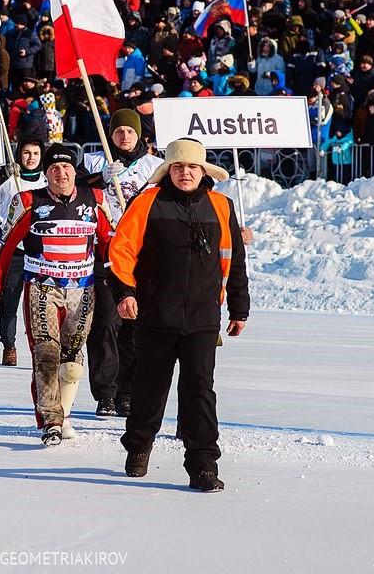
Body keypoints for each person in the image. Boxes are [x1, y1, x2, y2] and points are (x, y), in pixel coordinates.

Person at [108, 138, 250, 492]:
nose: (184, 173)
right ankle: (139, 445)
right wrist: (125, 292)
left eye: (191, 167)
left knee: (199, 389)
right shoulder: (147, 202)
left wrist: (239, 306)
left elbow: (234, 261)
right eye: (177, 167)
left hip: (203, 316)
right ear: (167, 171)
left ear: (203, 171)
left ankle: (202, 464)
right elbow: (121, 251)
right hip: (155, 313)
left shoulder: (221, 205)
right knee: (150, 389)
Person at [0, 144, 115, 446]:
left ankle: (65, 413)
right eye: (54, 169)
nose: (61, 173)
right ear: (46, 174)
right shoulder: (29, 201)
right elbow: (3, 247)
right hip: (42, 287)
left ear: (75, 171)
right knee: (45, 354)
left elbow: (109, 241)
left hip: (82, 289)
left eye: (66, 167)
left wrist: (118, 279)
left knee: (71, 360)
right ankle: (51, 420)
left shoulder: (94, 199)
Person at [80, 109, 163, 417]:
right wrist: (98, 179)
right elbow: (69, 186)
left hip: (141, 256)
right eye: (118, 132)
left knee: (135, 328)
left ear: (139, 135)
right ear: (111, 135)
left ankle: (128, 391)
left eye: (129, 131)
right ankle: (106, 391)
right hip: (103, 255)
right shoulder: (93, 162)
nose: (124, 137)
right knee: (104, 327)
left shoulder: (155, 167)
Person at [0, 138, 47, 366]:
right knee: (10, 301)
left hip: (41, 251)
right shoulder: (8, 179)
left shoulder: (47, 180)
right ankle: (9, 345)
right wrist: (2, 174)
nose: (31, 158)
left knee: (40, 303)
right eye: (26, 153)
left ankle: (44, 346)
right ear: (19, 155)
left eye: (35, 153)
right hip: (13, 250)